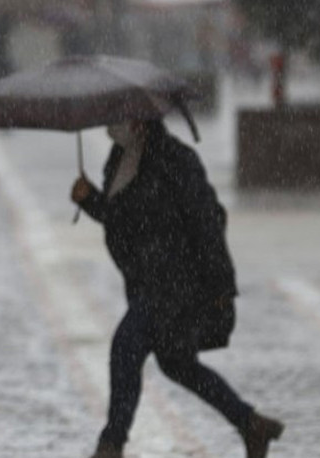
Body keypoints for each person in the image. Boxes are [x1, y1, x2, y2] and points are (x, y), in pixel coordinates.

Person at [70, 119, 283, 458]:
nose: (113, 125)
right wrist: (90, 200)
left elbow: (207, 221)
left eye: (120, 117)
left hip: (177, 281)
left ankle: (111, 444)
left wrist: (221, 286)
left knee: (126, 347)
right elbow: (123, 219)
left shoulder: (175, 159)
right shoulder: (119, 158)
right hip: (146, 281)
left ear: (141, 119)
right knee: (176, 363)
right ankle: (251, 424)